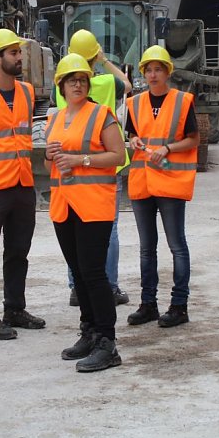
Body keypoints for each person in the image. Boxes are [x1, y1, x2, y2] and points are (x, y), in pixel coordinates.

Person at [45, 53, 126, 372]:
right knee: (78, 273)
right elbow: (53, 159)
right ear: (61, 86)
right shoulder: (55, 118)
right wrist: (52, 155)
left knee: (94, 273)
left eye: (82, 79)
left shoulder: (101, 115)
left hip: (94, 204)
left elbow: (118, 154)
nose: (78, 84)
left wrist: (81, 160)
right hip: (64, 204)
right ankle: (89, 330)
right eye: (71, 80)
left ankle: (108, 341)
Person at [0, 29, 45, 341]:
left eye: (19, 51)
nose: (19, 57)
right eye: (13, 52)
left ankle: (15, 308)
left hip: (22, 183)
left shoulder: (28, 92)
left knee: (19, 251)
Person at [124, 45, 200, 328]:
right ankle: (148, 304)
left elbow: (193, 139)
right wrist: (133, 140)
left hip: (170, 182)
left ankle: (179, 305)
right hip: (143, 182)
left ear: (168, 72)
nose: (153, 75)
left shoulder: (182, 101)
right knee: (147, 248)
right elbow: (134, 134)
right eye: (149, 70)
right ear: (143, 73)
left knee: (176, 245)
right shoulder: (135, 102)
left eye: (158, 69)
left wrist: (167, 148)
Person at [58, 29, 132, 306]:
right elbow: (128, 84)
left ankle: (77, 288)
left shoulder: (62, 84)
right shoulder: (106, 82)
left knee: (73, 225)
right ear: (94, 55)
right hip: (103, 165)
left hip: (72, 164)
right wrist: (104, 61)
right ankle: (109, 286)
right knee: (108, 228)